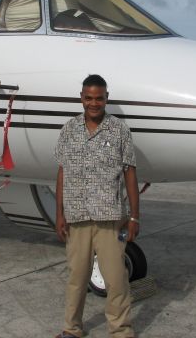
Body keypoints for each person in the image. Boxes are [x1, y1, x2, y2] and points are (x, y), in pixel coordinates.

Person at [54, 74, 140, 338]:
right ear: (81, 98)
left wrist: (134, 217)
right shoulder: (68, 130)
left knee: (116, 280)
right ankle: (72, 329)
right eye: (89, 98)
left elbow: (130, 173)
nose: (94, 103)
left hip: (109, 217)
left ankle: (121, 331)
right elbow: (62, 172)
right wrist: (59, 214)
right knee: (76, 279)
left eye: (99, 98)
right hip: (77, 216)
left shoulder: (119, 131)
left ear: (106, 99)